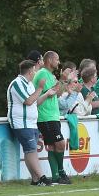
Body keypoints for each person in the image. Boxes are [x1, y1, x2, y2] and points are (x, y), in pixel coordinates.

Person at [8, 59, 56, 186]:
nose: (36, 72)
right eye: (35, 70)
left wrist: (46, 94)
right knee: (31, 150)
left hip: (31, 123)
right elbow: (28, 101)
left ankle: (35, 180)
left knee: (30, 150)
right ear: (30, 71)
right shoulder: (17, 83)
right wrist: (40, 88)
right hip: (21, 123)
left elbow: (34, 102)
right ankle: (42, 177)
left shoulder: (29, 84)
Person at [31, 51, 71, 184]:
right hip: (45, 116)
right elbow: (50, 92)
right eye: (57, 60)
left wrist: (63, 80)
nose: (59, 62)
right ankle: (60, 172)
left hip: (53, 115)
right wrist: (62, 80)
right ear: (50, 60)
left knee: (54, 146)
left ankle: (56, 176)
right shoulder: (42, 74)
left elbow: (57, 94)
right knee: (60, 143)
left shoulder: (50, 75)